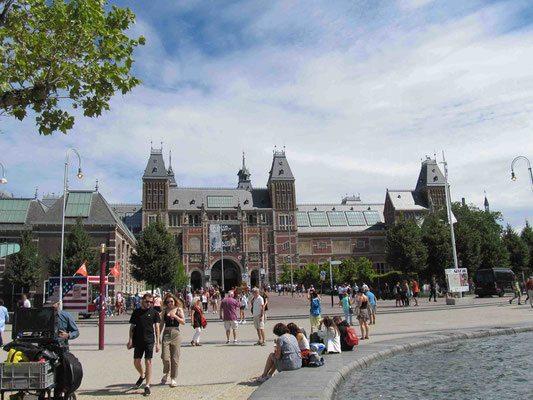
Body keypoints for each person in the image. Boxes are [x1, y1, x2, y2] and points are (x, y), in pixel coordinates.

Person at [127, 293, 161, 397]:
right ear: (142, 301)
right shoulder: (136, 312)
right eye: (147, 302)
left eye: (151, 302)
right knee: (136, 361)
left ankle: (147, 385)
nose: (149, 304)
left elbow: (157, 328)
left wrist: (158, 343)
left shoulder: (154, 313)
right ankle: (142, 375)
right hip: (138, 340)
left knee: (148, 361)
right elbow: (132, 327)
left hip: (149, 340)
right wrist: (130, 340)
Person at [159, 294, 185, 388]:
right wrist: (158, 335)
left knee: (175, 357)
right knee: (165, 356)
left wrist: (176, 317)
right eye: (168, 302)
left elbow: (183, 322)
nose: (169, 303)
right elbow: (161, 323)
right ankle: (167, 372)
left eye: (171, 301)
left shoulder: (178, 309)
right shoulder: (165, 310)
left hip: (176, 333)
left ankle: (173, 378)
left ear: (175, 302)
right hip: (166, 333)